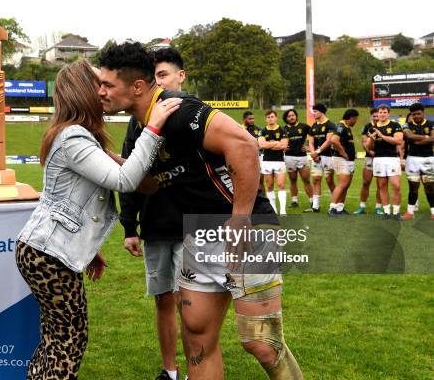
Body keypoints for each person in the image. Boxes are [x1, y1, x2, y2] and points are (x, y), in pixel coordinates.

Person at [99, 43, 302, 380]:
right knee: (196, 339)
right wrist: (117, 164)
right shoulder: (142, 126)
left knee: (262, 343)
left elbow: (243, 145)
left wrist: (240, 219)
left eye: (107, 85)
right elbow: (151, 184)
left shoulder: (179, 111)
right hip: (199, 234)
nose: (100, 91)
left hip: (247, 231)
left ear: (137, 86)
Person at [15, 60, 180, 379]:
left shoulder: (77, 135)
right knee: (68, 342)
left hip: (45, 251)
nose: (105, 91)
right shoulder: (74, 137)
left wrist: (88, 248)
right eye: (99, 85)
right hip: (48, 255)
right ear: (83, 92)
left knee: (56, 340)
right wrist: (153, 126)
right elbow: (124, 179)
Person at [119, 46, 186, 380]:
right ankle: (170, 370)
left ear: (180, 76)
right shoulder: (137, 122)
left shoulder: (193, 117)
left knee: (193, 303)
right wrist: (129, 226)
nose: (159, 84)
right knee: (163, 300)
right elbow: (129, 174)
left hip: (195, 226)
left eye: (163, 75)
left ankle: (199, 370)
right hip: (157, 225)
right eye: (154, 77)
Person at [365, 104, 403, 217]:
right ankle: (386, 212)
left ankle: (396, 212)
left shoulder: (395, 125)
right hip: (378, 159)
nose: (382, 114)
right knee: (382, 186)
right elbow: (368, 146)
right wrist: (371, 139)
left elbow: (398, 141)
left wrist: (382, 135)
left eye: (384, 112)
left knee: (396, 185)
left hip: (392, 158)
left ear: (388, 114)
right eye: (380, 112)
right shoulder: (372, 128)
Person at [401, 103, 434, 220]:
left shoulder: (431, 124)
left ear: (423, 113)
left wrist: (418, 140)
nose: (416, 116)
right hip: (412, 159)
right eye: (413, 114)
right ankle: (410, 213)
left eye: (418, 113)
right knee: (413, 187)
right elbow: (409, 136)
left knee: (430, 187)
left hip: (428, 159)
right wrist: (426, 137)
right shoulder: (407, 125)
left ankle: (433, 212)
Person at [258, 110, 289, 215]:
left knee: (281, 184)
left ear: (276, 118)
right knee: (270, 186)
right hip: (266, 161)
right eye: (268, 117)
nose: (270, 119)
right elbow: (261, 145)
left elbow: (283, 146)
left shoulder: (282, 130)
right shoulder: (262, 131)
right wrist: (276, 143)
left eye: (272, 116)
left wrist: (270, 144)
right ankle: (274, 210)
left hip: (279, 161)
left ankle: (283, 211)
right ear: (266, 119)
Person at [306, 104, 336, 212]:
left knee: (329, 180)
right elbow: (310, 141)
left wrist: (317, 152)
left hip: (328, 156)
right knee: (316, 179)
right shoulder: (314, 126)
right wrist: (314, 153)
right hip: (316, 157)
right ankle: (315, 206)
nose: (313, 113)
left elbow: (329, 141)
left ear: (321, 112)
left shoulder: (330, 125)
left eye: (315, 111)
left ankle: (335, 205)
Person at [329, 109, 359, 215]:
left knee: (346, 185)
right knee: (342, 184)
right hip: (341, 159)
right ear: (351, 118)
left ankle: (340, 208)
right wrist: (343, 152)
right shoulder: (340, 126)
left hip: (348, 160)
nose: (356, 121)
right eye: (356, 119)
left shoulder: (347, 128)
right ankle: (332, 208)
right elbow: (334, 140)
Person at [282, 109, 313, 209]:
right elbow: (278, 141)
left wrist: (308, 146)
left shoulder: (304, 126)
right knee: (292, 180)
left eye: (293, 115)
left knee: (306, 180)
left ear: (296, 116)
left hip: (302, 157)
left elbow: (314, 136)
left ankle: (312, 201)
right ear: (286, 118)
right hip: (289, 157)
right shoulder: (283, 129)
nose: (291, 117)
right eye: (289, 116)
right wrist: (282, 147)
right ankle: (294, 201)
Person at [354, 108, 383, 215]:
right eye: (374, 116)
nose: (376, 118)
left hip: (382, 158)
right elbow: (364, 142)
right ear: (371, 116)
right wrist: (370, 152)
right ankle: (362, 206)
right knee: (366, 183)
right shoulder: (367, 127)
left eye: (377, 116)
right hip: (370, 157)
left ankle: (378, 207)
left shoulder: (385, 126)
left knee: (381, 184)